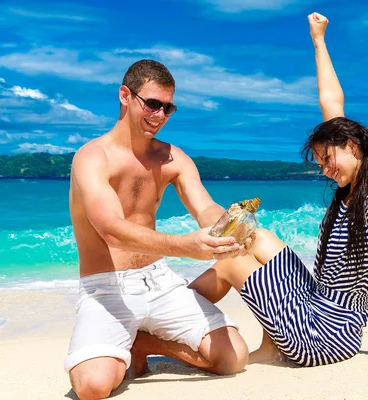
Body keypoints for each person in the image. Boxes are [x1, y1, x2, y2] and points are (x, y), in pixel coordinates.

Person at [189, 12, 368, 366]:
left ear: (353, 145)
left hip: (327, 335)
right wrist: (319, 40)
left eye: (327, 158)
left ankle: (170, 315)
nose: (325, 169)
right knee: (257, 237)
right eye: (319, 163)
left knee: (229, 262)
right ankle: (262, 342)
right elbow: (330, 102)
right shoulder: (349, 194)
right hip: (316, 305)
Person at [65, 59, 249, 400]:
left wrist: (230, 226)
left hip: (160, 282)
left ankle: (143, 342)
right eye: (152, 104)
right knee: (92, 387)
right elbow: (111, 229)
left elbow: (204, 208)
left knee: (233, 358)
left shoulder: (172, 157)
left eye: (168, 108)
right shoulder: (92, 158)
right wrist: (186, 246)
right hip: (107, 290)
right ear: (125, 95)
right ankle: (124, 347)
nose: (160, 115)